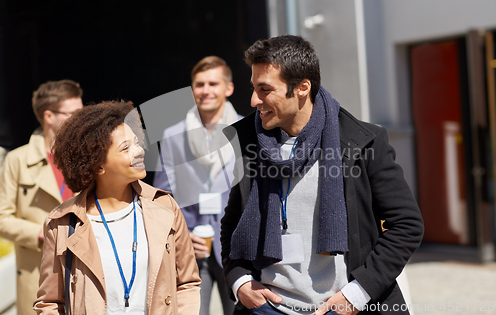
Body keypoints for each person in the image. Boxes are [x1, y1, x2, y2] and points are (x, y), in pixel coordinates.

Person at [220, 35, 424, 315]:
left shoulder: (361, 141)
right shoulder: (247, 142)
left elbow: (407, 226)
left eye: (265, 89)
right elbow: (233, 223)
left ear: (302, 88)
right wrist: (240, 281)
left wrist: (357, 294)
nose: (255, 100)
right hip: (267, 308)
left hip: (341, 307)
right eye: (254, 88)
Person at [34, 100, 201, 314]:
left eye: (137, 142)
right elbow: (49, 303)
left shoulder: (165, 207)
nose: (139, 151)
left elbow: (187, 283)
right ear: (98, 165)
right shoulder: (62, 223)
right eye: (126, 148)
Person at [154, 56, 238, 315]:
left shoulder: (247, 132)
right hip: (191, 247)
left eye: (213, 83)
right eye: (199, 84)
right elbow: (162, 196)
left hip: (236, 249)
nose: (206, 90)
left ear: (228, 88)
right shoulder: (172, 135)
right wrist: (182, 235)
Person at [0, 80, 83, 315]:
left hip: (85, 273)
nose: (80, 120)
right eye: (73, 113)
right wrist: (42, 233)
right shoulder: (17, 160)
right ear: (49, 116)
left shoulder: (88, 156)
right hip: (39, 276)